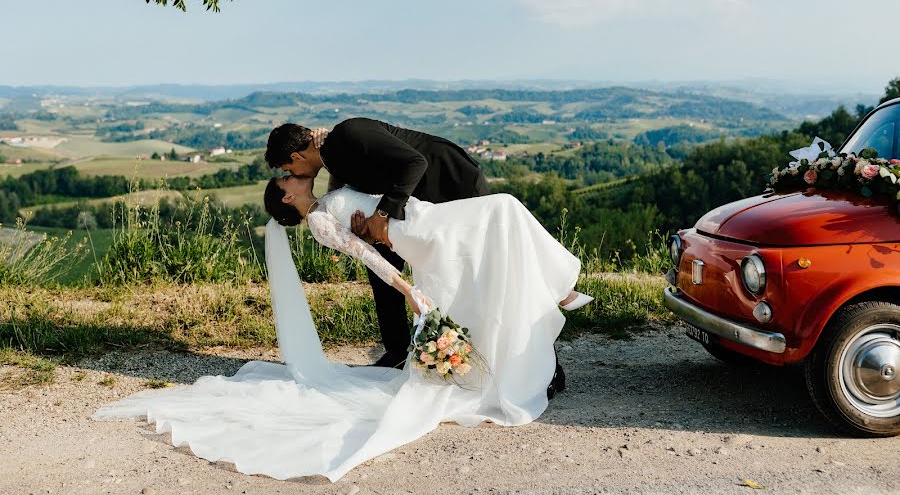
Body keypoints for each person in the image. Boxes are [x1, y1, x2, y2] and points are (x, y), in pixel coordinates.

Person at [94, 175, 592, 482]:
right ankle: (558, 286)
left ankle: (550, 293)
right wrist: (408, 290)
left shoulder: (331, 190)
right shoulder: (317, 222)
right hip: (417, 232)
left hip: (421, 218)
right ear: (287, 203)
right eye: (283, 184)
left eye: (287, 174)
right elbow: (367, 255)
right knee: (503, 208)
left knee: (499, 236)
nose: (288, 178)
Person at [264, 119, 568, 396]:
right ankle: (398, 351)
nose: (291, 175)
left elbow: (415, 162)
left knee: (491, 274)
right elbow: (342, 192)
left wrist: (382, 215)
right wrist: (360, 228)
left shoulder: (347, 136)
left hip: (450, 185)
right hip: (409, 214)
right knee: (383, 266)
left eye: (288, 170)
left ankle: (544, 364)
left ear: (297, 158)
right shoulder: (330, 155)